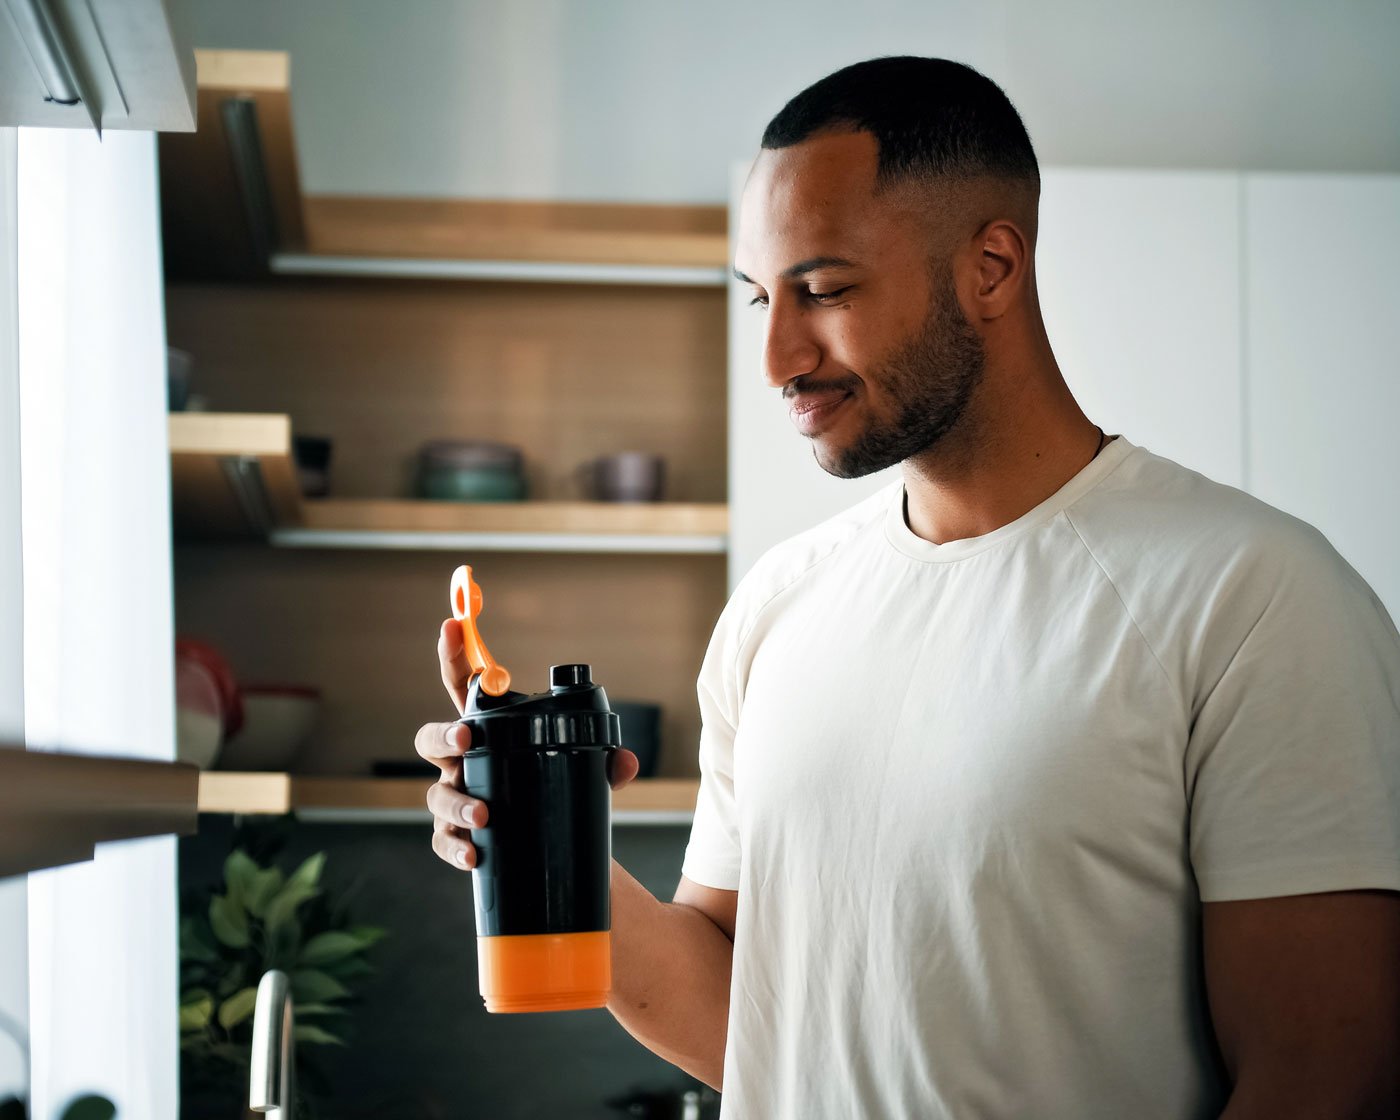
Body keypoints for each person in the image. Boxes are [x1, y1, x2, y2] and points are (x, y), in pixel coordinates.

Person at [418, 56, 1400, 1118]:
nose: (777, 357)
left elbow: (1323, 1074)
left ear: (989, 268)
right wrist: (547, 845)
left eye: (824, 290)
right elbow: (742, 1015)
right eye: (759, 297)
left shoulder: (1251, 597)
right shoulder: (777, 608)